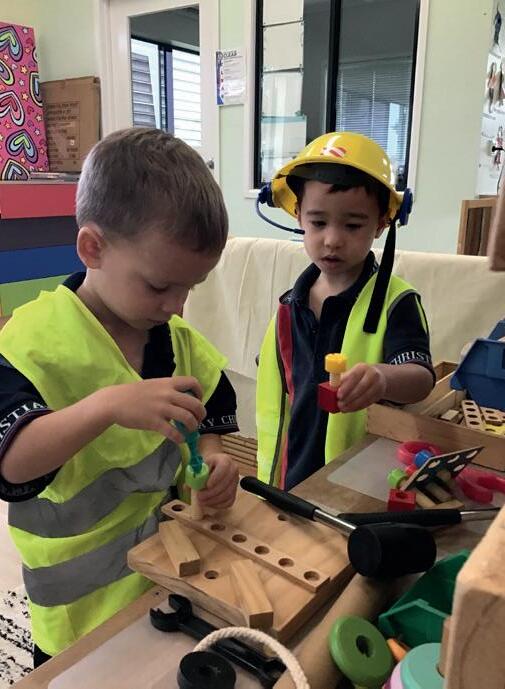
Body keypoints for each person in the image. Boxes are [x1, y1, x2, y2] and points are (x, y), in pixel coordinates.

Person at [0, 128, 239, 665]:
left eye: (190, 287)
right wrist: (108, 405)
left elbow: (215, 420)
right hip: (76, 614)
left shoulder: (179, 343)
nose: (176, 306)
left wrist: (215, 463)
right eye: (159, 286)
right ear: (93, 248)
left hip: (166, 577)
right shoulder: (28, 345)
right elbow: (12, 463)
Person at [256, 131, 435, 489]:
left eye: (352, 225)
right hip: (290, 475)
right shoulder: (289, 306)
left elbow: (421, 379)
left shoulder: (397, 302)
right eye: (318, 222)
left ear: (381, 224)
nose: (333, 239)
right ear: (298, 216)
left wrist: (383, 379)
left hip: (360, 483)